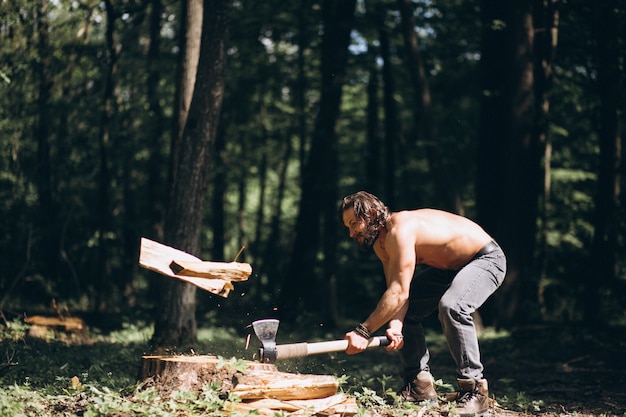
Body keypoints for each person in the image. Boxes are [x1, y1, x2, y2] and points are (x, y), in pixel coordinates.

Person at [340, 191, 506, 417]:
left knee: (452, 307)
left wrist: (363, 331)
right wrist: (396, 326)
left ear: (371, 213)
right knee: (408, 314)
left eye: (353, 224)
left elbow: (398, 293)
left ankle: (475, 390)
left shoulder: (401, 230)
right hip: (449, 269)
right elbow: (398, 293)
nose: (351, 233)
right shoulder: (382, 244)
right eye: (347, 227)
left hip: (485, 259)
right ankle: (420, 386)